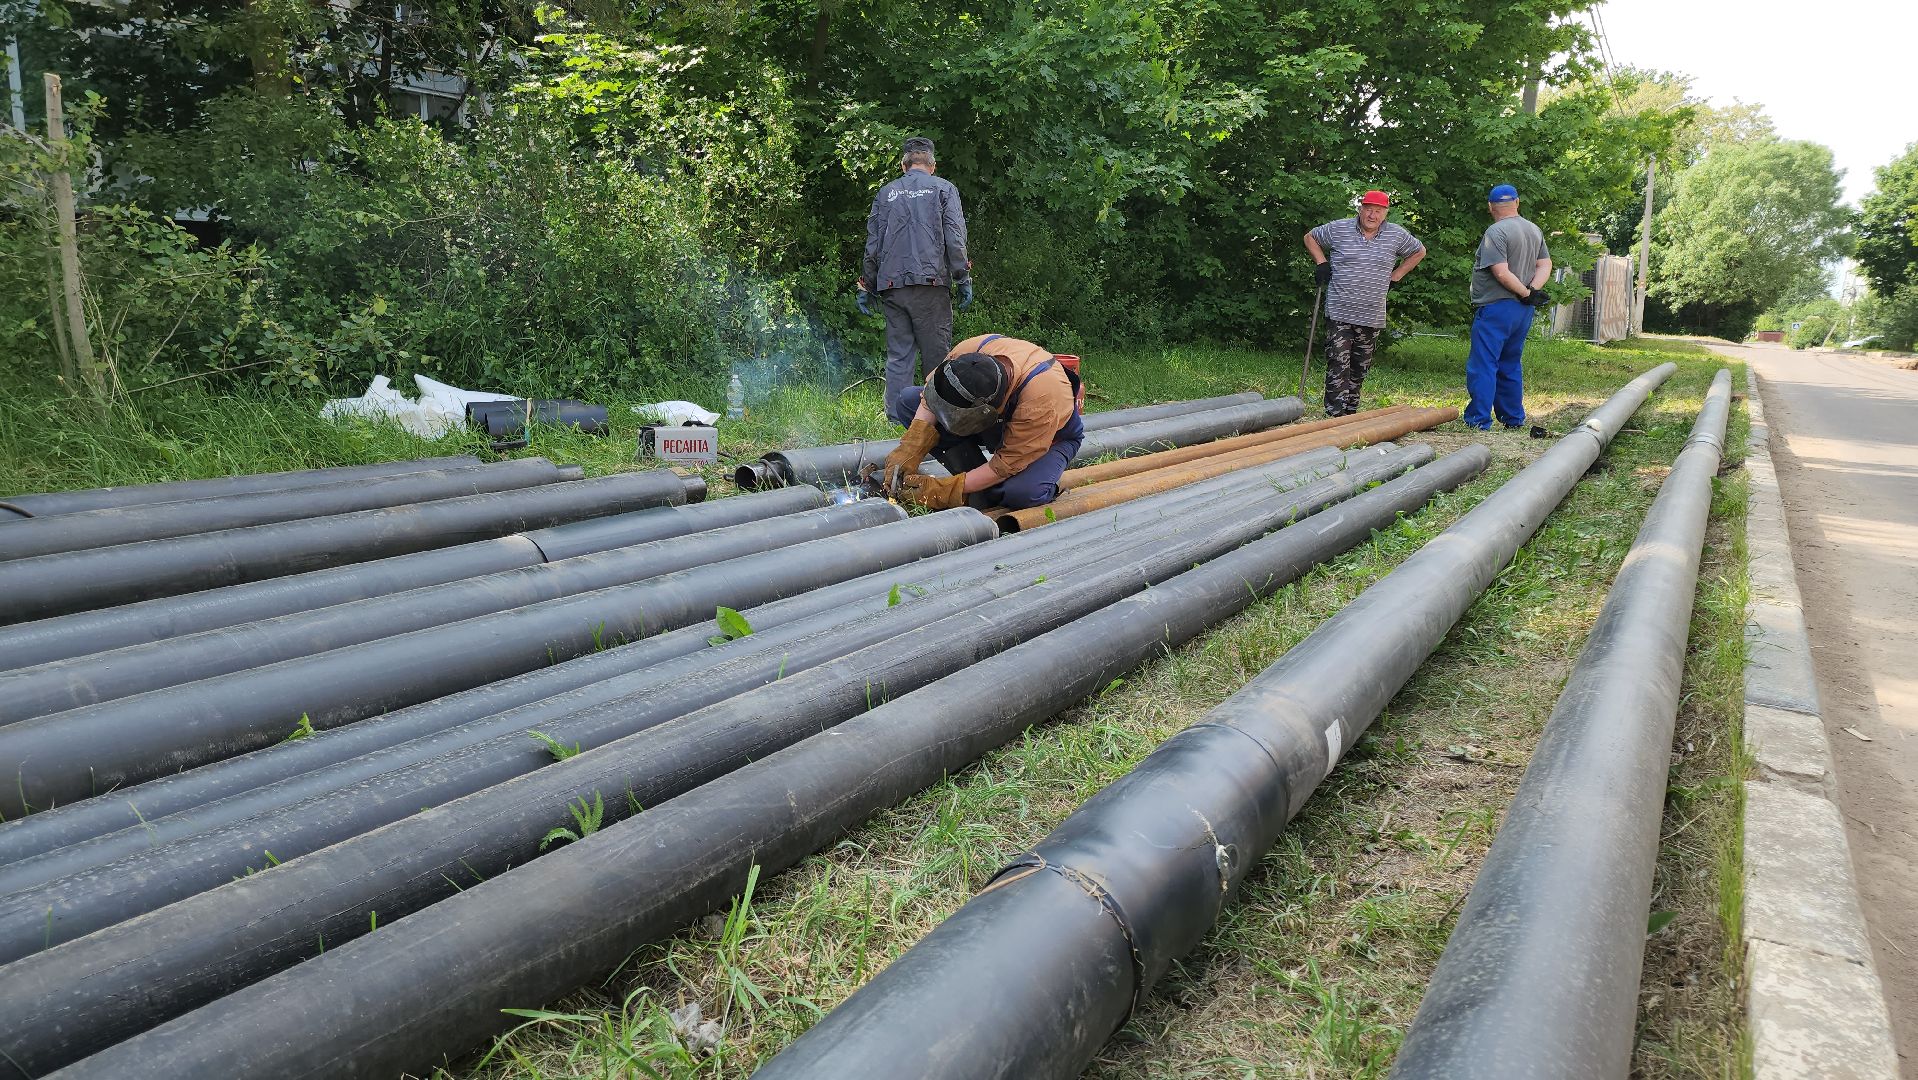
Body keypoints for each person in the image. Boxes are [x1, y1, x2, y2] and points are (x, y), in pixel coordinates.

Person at [872, 333, 1083, 511]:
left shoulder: (1039, 402)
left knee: (1021, 493)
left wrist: (945, 490)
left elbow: (1005, 465)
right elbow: (929, 398)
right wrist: (911, 445)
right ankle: (977, 483)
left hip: (1050, 438)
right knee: (909, 401)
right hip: (999, 423)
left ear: (985, 410)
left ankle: (1001, 485)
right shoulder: (968, 353)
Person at [858, 136, 973, 426]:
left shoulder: (886, 193)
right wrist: (962, 277)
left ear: (903, 165)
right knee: (936, 358)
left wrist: (866, 285)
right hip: (931, 285)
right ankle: (936, 418)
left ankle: (898, 418)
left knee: (899, 355)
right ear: (932, 166)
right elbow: (955, 238)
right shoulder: (944, 189)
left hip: (893, 286)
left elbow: (873, 244)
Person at [1302, 190, 1426, 417]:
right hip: (1339, 309)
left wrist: (1396, 276)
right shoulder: (1339, 228)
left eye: (1378, 211)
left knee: (1360, 366)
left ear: (1385, 213)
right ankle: (1334, 415)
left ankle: (1351, 412)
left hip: (1371, 313)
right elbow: (1310, 237)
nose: (1372, 215)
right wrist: (1321, 262)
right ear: (1361, 209)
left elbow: (1419, 251)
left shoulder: (1396, 235)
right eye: (1368, 209)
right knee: (1338, 362)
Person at [1465, 184, 1553, 430]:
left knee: (1484, 363)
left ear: (1490, 206)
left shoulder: (1496, 232)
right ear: (1517, 202)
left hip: (1496, 307)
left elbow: (1501, 273)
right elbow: (1545, 264)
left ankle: (1479, 420)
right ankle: (1513, 418)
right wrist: (1531, 293)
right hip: (1521, 311)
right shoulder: (1533, 229)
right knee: (1510, 363)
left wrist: (1525, 292)